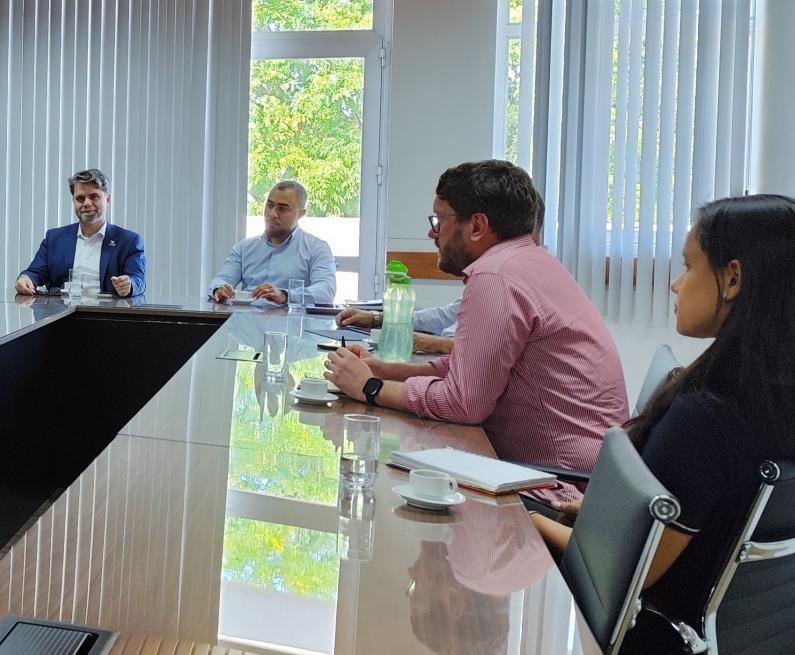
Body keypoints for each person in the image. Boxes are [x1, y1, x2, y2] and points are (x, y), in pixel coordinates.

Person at [530, 195, 795, 653]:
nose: (676, 285)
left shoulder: (707, 417)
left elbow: (626, 574)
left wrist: (527, 519)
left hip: (658, 636)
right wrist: (599, 518)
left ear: (732, 279)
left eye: (688, 267)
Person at [324, 160, 626, 500]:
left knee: (389, 486)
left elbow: (464, 403)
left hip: (558, 486)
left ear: (477, 226)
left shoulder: (495, 277)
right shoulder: (528, 262)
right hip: (573, 474)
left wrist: (370, 387)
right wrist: (386, 370)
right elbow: (468, 368)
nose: (431, 233)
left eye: (439, 220)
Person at [13, 169, 146, 297]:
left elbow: (138, 280)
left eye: (94, 196)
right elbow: (35, 272)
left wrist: (129, 285)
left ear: (108, 199)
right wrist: (25, 279)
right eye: (80, 198)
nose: (87, 203)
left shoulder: (129, 241)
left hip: (106, 315)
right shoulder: (54, 238)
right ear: (73, 201)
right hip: (62, 315)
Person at [209, 180, 337, 305]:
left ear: (301, 214)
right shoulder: (244, 248)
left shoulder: (317, 248)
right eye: (269, 206)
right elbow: (222, 279)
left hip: (291, 322)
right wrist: (219, 289)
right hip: (246, 321)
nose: (272, 214)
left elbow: (326, 291)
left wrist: (285, 295)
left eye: (282, 208)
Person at [337, 297, 461, 354]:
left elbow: (477, 350)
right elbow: (445, 315)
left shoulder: (479, 278)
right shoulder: (475, 280)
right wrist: (376, 318)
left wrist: (439, 343)